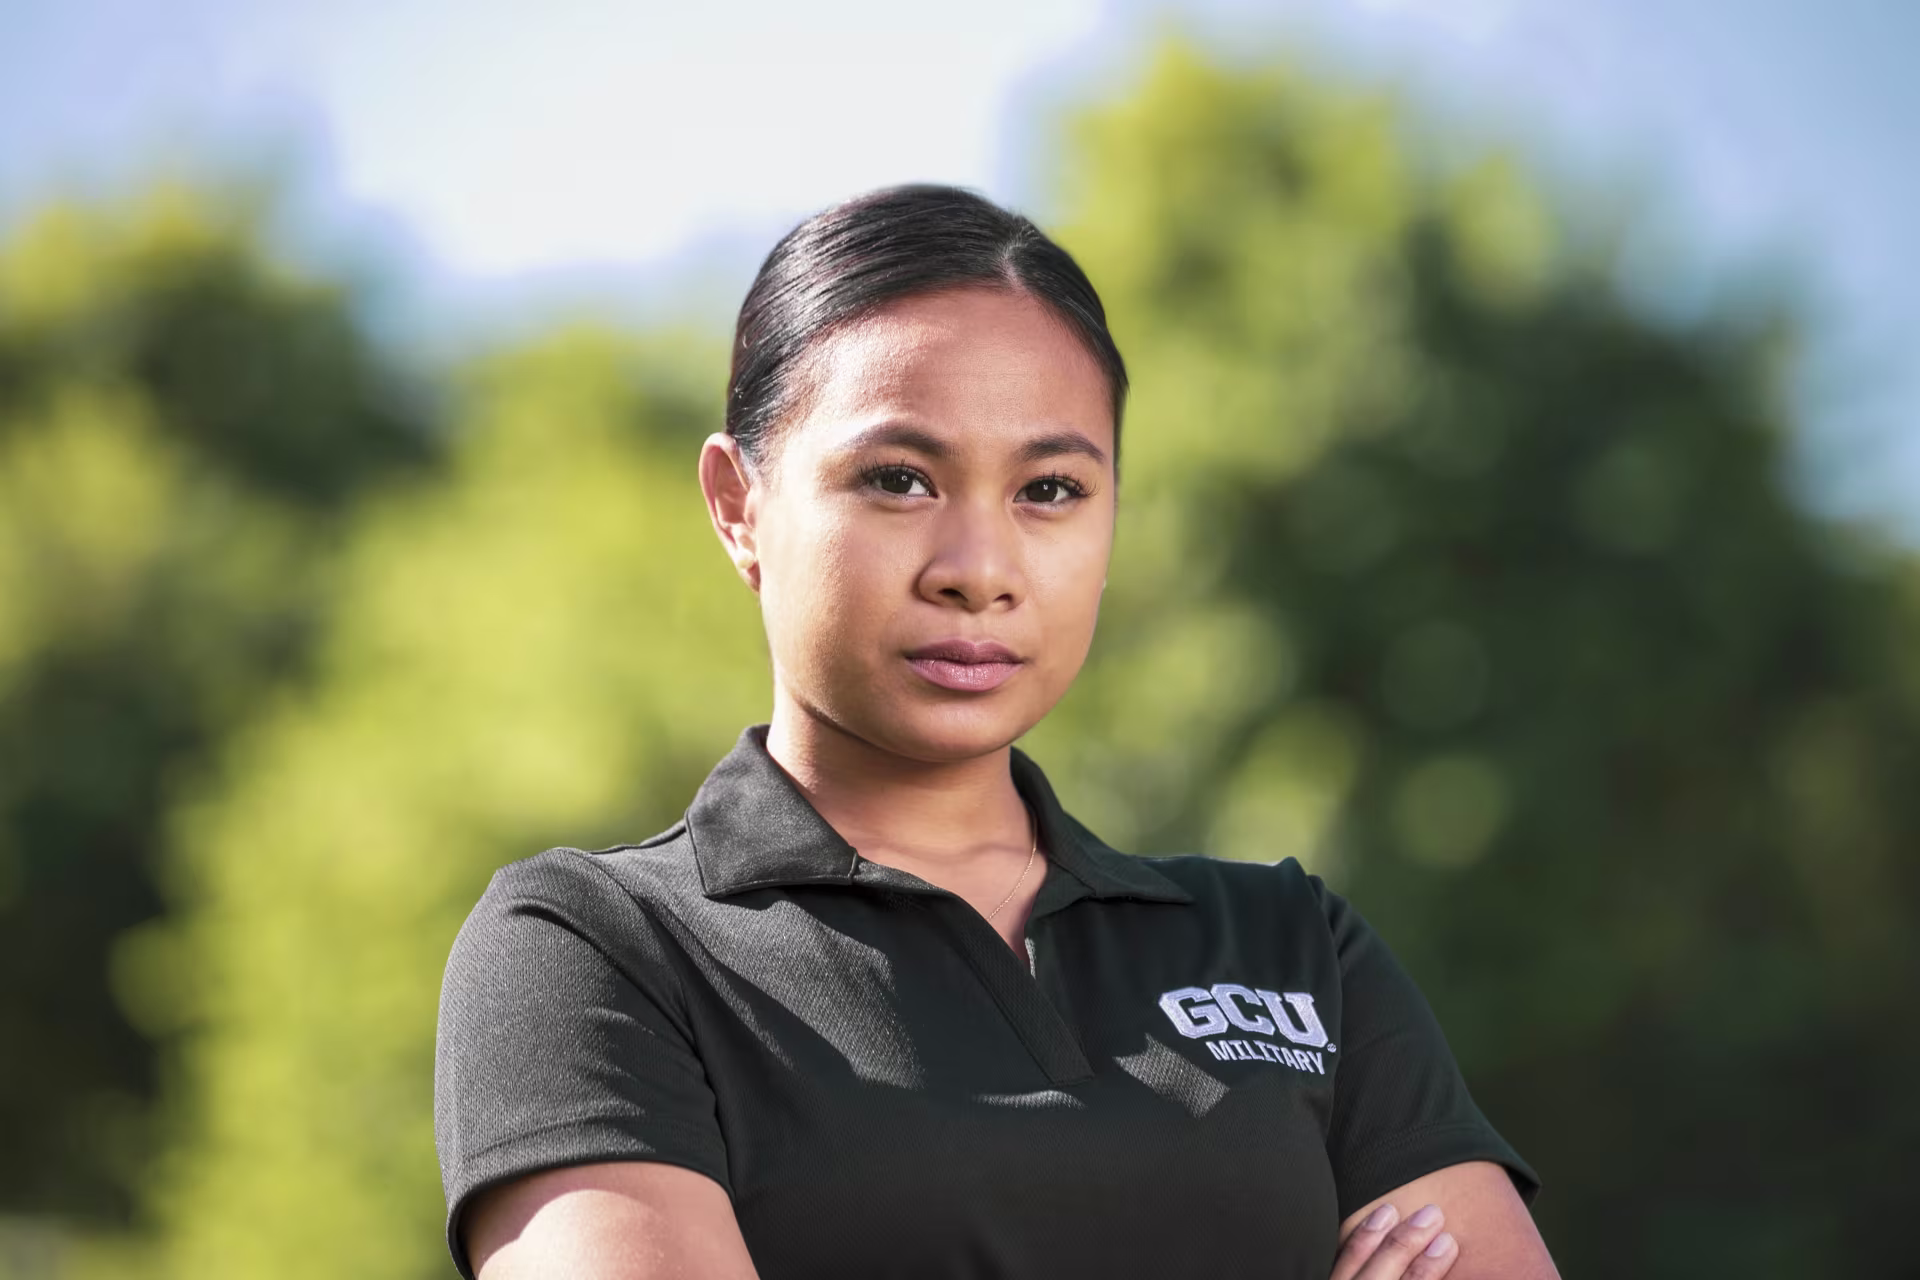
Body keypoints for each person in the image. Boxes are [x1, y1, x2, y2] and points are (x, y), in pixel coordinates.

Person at [433, 183, 1559, 1280]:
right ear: (739, 504)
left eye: (1052, 490)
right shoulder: (596, 950)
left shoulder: (1290, 943)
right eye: (899, 478)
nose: (979, 571)